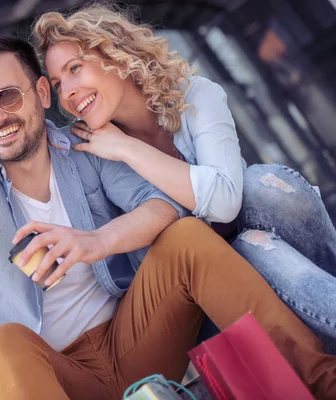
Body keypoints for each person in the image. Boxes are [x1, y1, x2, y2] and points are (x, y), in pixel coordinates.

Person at [0, 35, 336, 400]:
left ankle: (321, 381)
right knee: (1, 345)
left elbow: (163, 203)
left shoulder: (82, 148)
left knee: (188, 237)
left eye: (6, 96)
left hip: (134, 341)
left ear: (42, 92)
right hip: (54, 380)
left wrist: (95, 241)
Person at [31, 4, 336, 344]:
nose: (67, 93)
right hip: (207, 298)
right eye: (58, 84)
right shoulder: (97, 153)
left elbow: (224, 204)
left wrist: (127, 148)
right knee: (250, 247)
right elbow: (180, 225)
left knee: (262, 191)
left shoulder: (195, 95)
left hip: (276, 247)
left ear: (116, 56)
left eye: (75, 68)